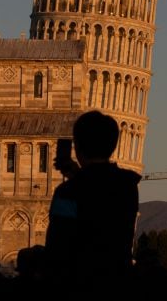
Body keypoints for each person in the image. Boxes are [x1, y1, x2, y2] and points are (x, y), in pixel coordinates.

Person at [45, 110, 141, 299]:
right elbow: (100, 193)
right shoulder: (127, 187)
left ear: (78, 147)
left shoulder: (67, 192)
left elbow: (58, 242)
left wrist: (76, 179)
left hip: (78, 284)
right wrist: (78, 174)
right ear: (113, 145)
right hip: (117, 282)